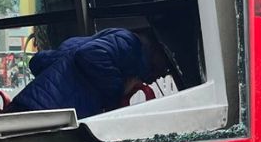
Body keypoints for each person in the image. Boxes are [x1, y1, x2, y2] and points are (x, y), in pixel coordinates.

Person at [9, 28, 157, 117]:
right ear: (157, 53)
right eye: (167, 68)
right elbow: (89, 54)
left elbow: (38, 61)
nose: (163, 74)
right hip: (49, 117)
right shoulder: (129, 42)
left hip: (27, 106)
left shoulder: (87, 42)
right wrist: (115, 93)